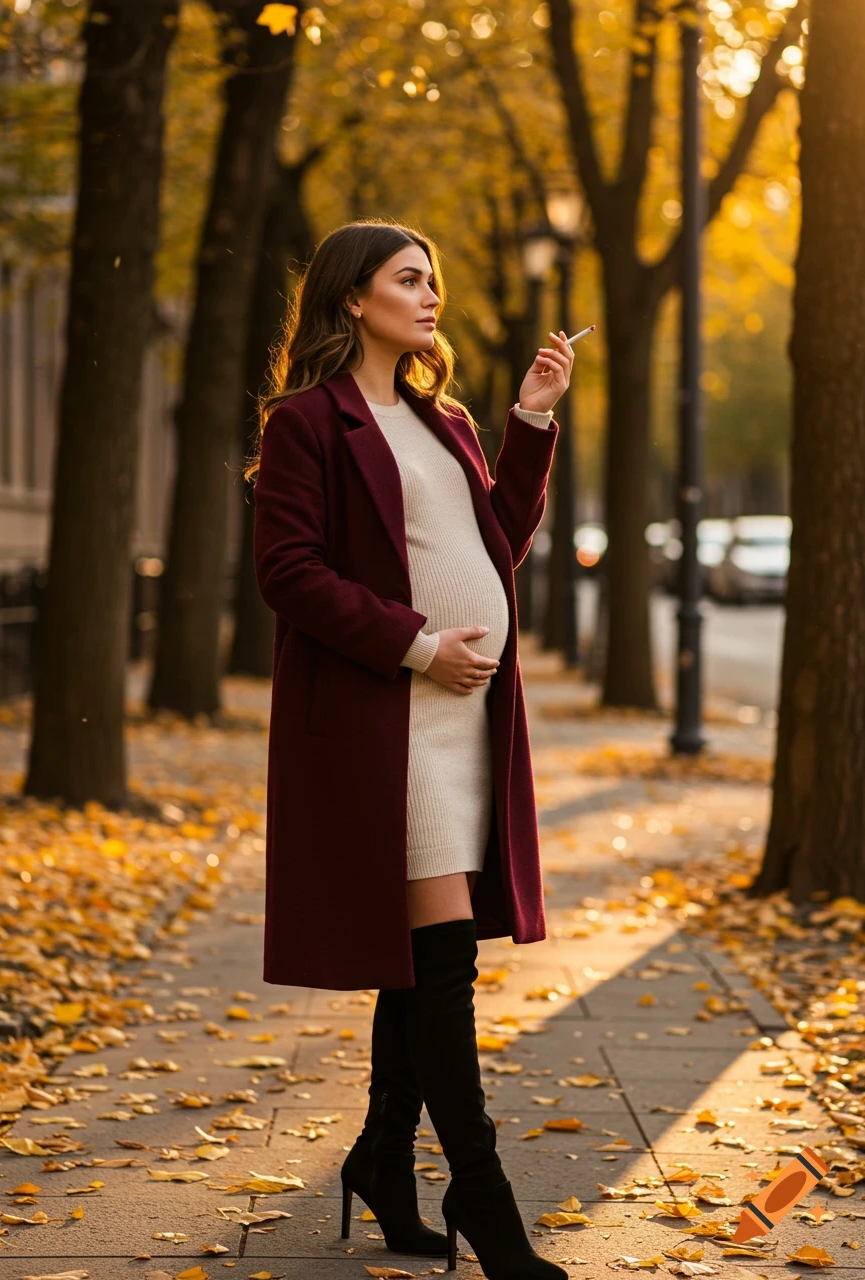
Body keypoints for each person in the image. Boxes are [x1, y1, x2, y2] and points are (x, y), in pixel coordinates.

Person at [246, 220, 574, 1278]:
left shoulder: (447, 422)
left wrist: (529, 420)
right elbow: (288, 572)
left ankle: (384, 1158)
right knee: (439, 966)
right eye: (408, 278)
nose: (430, 295)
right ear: (352, 297)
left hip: (466, 719)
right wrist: (418, 645)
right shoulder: (307, 424)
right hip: (385, 724)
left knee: (426, 960)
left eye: (432, 278)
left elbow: (498, 541)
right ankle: (483, 1199)